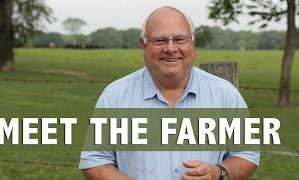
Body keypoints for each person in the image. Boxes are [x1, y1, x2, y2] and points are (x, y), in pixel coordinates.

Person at [79, 6, 259, 180]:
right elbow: (95, 161)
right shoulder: (115, 96)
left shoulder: (225, 94)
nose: (171, 48)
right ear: (144, 44)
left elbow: (246, 154)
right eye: (160, 40)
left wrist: (217, 173)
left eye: (180, 39)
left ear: (192, 42)